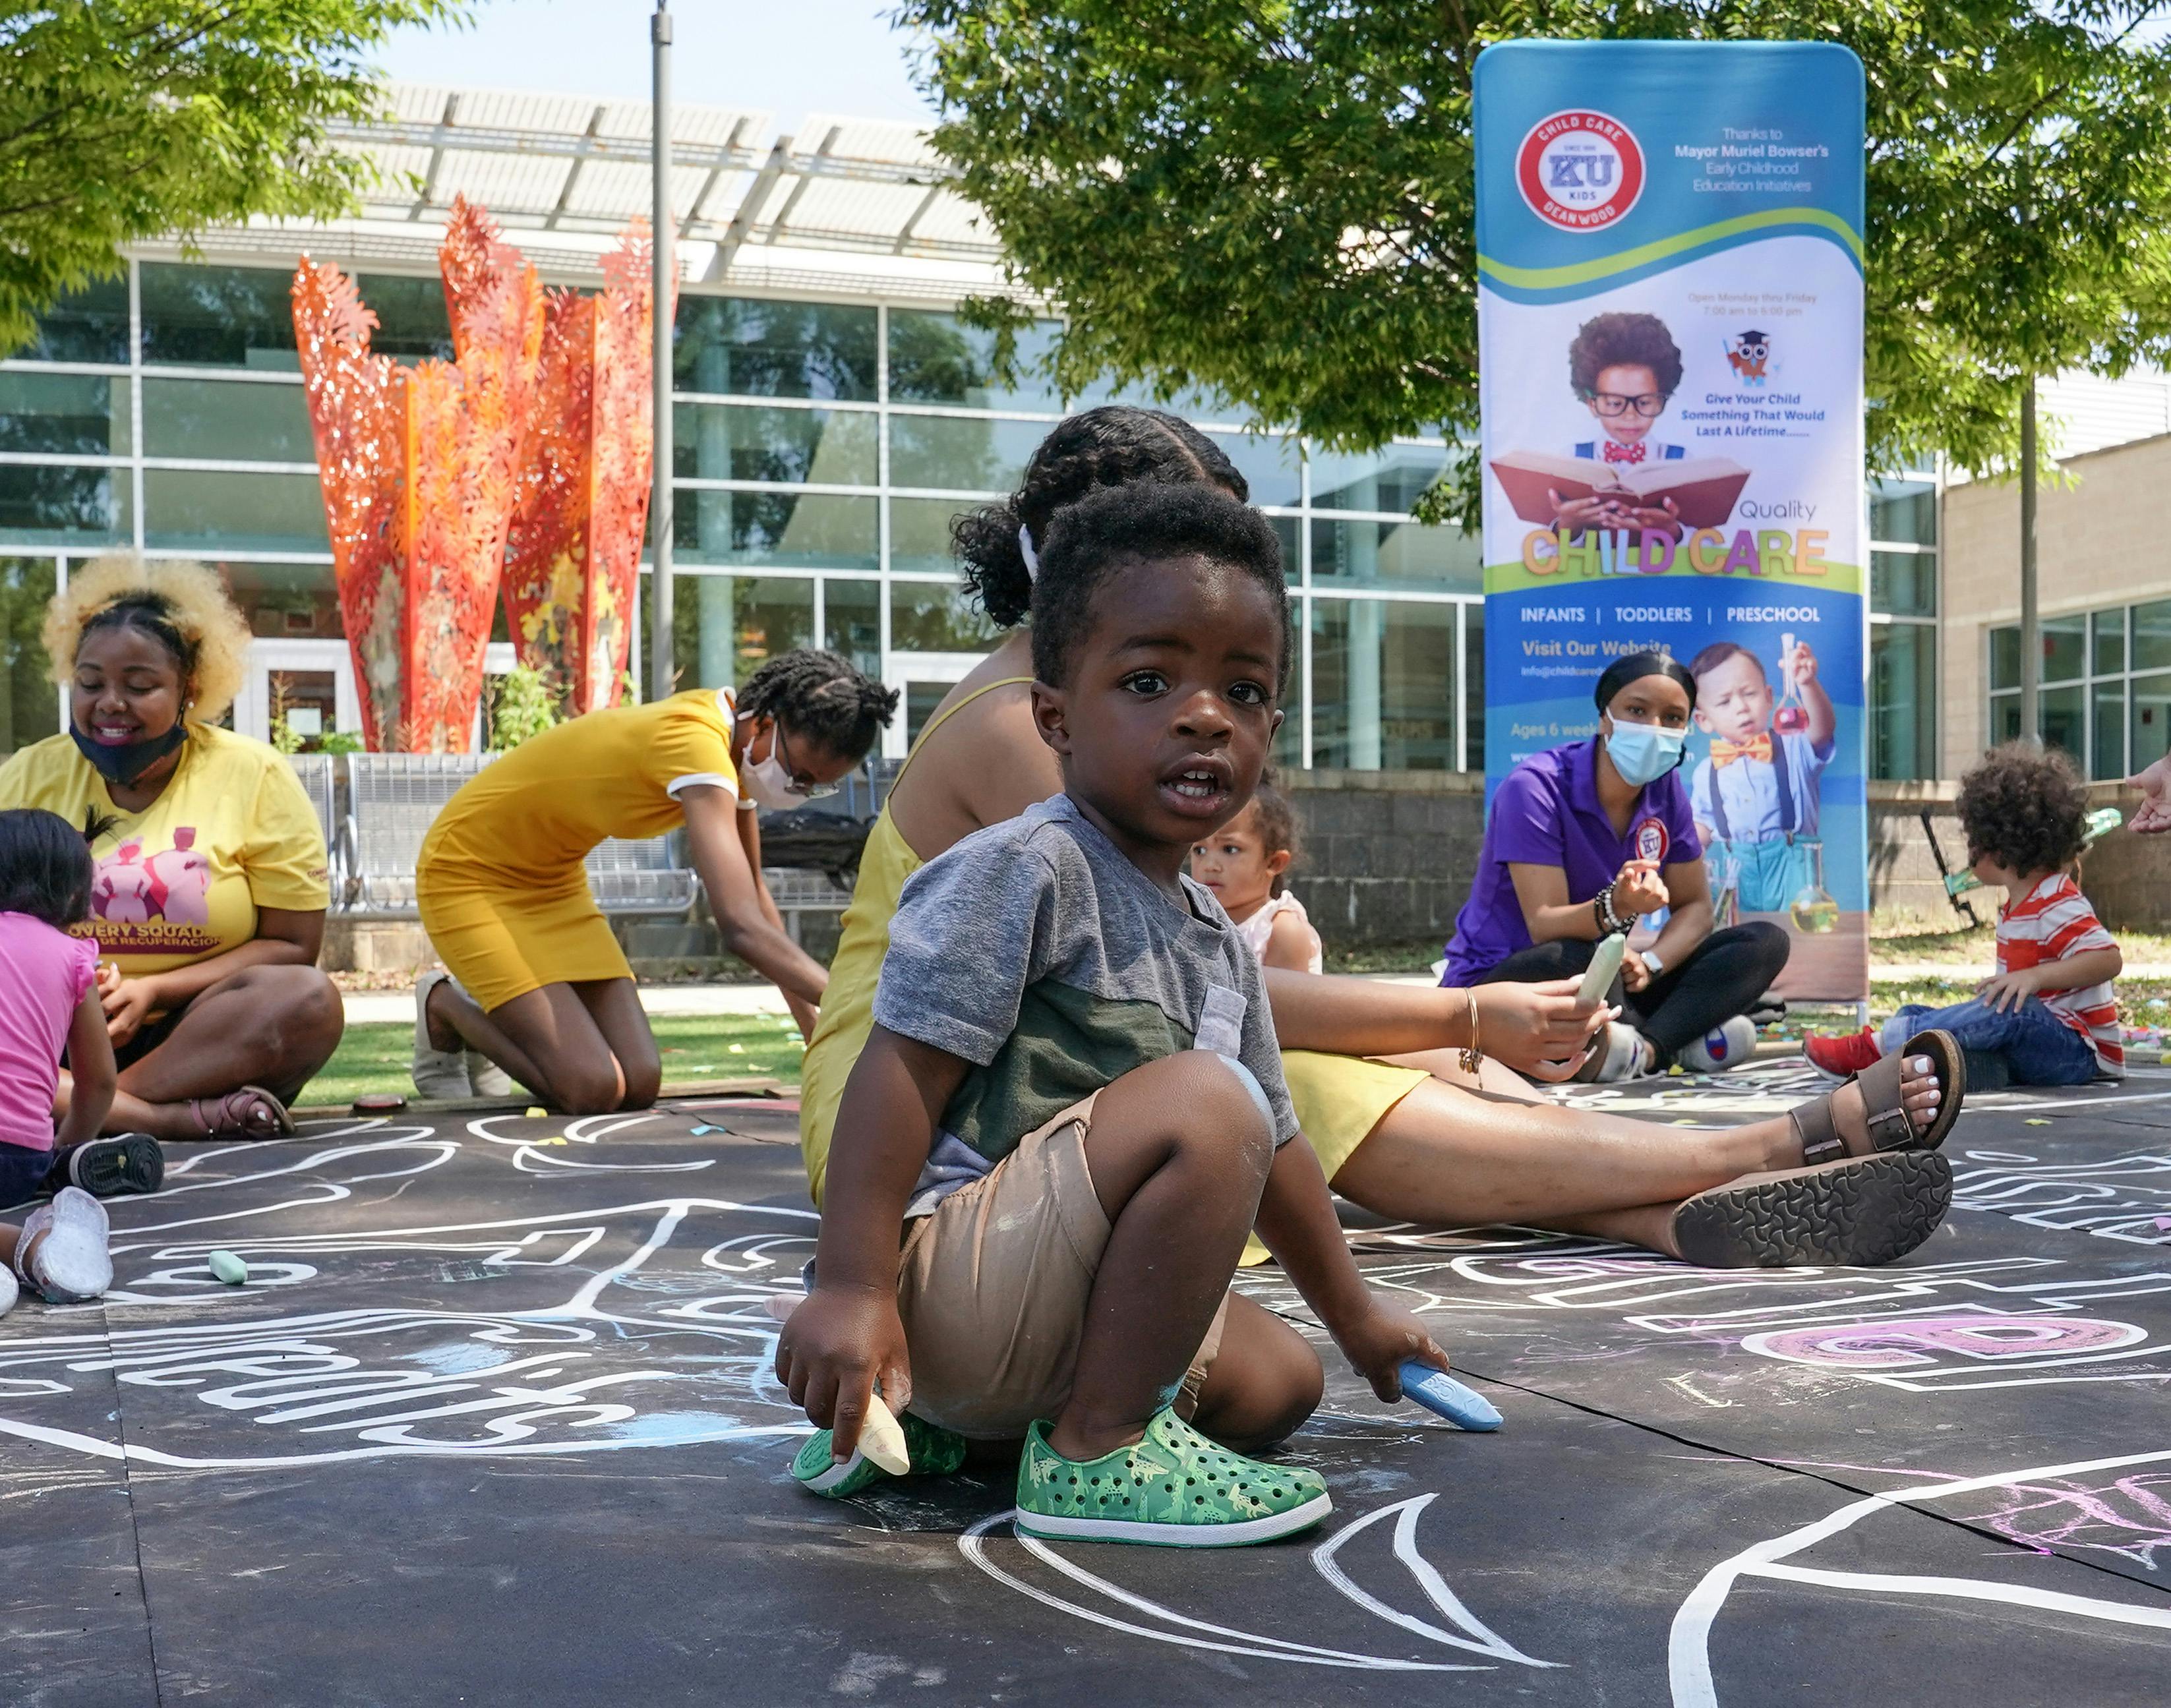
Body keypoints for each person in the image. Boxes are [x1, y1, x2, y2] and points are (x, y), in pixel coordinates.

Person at [800, 409, 1958, 1272]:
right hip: (926, 1119)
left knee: (1333, 1065)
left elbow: (1193, 984)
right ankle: (1749, 1152)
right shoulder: (1021, 729)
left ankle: (1659, 1214)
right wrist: (1459, 1012)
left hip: (1064, 1074)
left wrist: (1441, 1026)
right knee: (1283, 1081)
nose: (1205, 706)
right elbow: (1175, 993)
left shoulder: (1077, 708)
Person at [778, 482, 1452, 1543]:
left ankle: (981, 1434)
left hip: (1037, 1302)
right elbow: (898, 1070)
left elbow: (1278, 1153)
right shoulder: (1022, 867)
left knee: (1279, 1384)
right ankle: (1096, 1448)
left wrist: (1357, 1318)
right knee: (1206, 1098)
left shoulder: (1218, 942)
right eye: (1149, 680)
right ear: (1055, 715)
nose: (1203, 714)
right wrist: (855, 1285)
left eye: (1244, 690)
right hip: (939, 1286)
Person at [413, 650, 896, 1114]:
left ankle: (497, 1011)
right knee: (590, 1087)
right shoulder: (697, 745)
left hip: (553, 883)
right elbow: (739, 925)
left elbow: (754, 893)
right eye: (800, 775)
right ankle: (446, 1005)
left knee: (640, 1079)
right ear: (765, 723)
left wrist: (813, 1027)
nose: (798, 791)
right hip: (468, 872)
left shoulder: (738, 751)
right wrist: (848, 1004)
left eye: (815, 786)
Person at [0, 557, 343, 1140]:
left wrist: (152, 988)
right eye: (90, 683)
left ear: (190, 687)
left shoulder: (254, 774)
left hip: (197, 1038)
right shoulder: (29, 774)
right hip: (46, 1034)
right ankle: (159, 1122)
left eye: (139, 686)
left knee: (309, 1001)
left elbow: (293, 946)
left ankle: (73, 1111)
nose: (110, 702)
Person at [1439, 652, 1791, 1082]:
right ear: (1605, 717)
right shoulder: (1534, 787)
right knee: (1574, 957)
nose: (1653, 727)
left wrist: (1652, 963)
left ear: (1686, 726)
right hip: (1511, 977)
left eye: (1672, 717)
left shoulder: (1665, 792)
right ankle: (1677, 1034)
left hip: (1608, 973)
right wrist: (1616, 905)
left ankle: (1642, 1049)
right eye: (1637, 710)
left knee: (1764, 942)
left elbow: (1696, 907)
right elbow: (1544, 924)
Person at [1808, 744, 2122, 1088]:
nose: (1968, 851)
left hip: (2080, 1055)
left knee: (2008, 1012)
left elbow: (2108, 960)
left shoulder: (2056, 900)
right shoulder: (2019, 905)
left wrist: (2035, 977)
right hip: (2039, 1050)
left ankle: (1879, 1049)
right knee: (1916, 1016)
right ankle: (1949, 1066)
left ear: (2001, 847)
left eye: (1974, 839)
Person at [0, 810, 163, 1202]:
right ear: (76, 891)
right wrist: (62, 1147)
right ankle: (62, 1167)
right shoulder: (74, 959)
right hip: (20, 1163)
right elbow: (99, 1082)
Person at [1688, 638, 1833, 913]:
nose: (1741, 707)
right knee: (1744, 941)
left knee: (1800, 942)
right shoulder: (1706, 771)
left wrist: (1806, 684)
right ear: (1703, 720)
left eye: (1749, 694)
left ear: (1769, 698)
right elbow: (1702, 826)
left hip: (1796, 867)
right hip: (1737, 871)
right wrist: (1678, 859)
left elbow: (1822, 729)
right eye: (1724, 701)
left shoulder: (1793, 747)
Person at [1547, 311, 1690, 540]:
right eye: (1615, 403)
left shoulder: (1682, 462)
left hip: (1658, 576)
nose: (1630, 415)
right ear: (1592, 403)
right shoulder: (1570, 459)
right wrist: (1567, 526)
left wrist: (1671, 531)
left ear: (1662, 399)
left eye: (1644, 402)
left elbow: (1706, 543)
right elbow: (1540, 554)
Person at [1189, 774, 1321, 973]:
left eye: (1230, 849)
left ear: (1274, 863)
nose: (1209, 865)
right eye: (1199, 850)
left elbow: (1283, 1004)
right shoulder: (1194, 920)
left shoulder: (1281, 930)